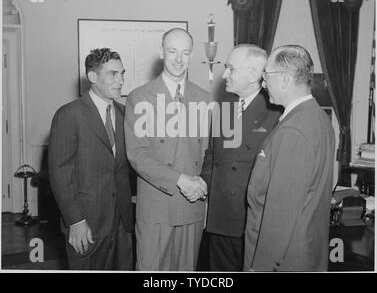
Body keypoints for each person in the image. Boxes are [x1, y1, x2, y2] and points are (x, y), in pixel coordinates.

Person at [244, 45, 335, 272]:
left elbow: (280, 213)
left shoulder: (294, 129)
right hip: (306, 251)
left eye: (266, 76)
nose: (263, 84)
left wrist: (261, 267)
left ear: (284, 79)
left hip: (283, 261)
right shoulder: (319, 118)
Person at [124, 28, 209, 271]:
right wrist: (180, 179)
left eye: (185, 52)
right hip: (157, 209)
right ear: (161, 52)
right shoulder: (140, 98)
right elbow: (138, 155)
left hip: (192, 207)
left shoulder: (203, 98)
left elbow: (207, 153)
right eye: (172, 51)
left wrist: (202, 189)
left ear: (192, 55)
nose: (179, 59)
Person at [48, 48, 134, 270]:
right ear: (93, 77)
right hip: (87, 224)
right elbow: (60, 173)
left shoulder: (125, 114)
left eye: (122, 73)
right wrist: (75, 221)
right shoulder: (68, 114)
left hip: (122, 222)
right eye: (113, 74)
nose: (121, 80)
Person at [200, 44, 281, 271]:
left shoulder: (276, 113)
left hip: (248, 221)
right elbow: (212, 156)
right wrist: (204, 182)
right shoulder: (225, 108)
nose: (224, 74)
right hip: (219, 217)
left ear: (255, 74)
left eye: (231, 68)